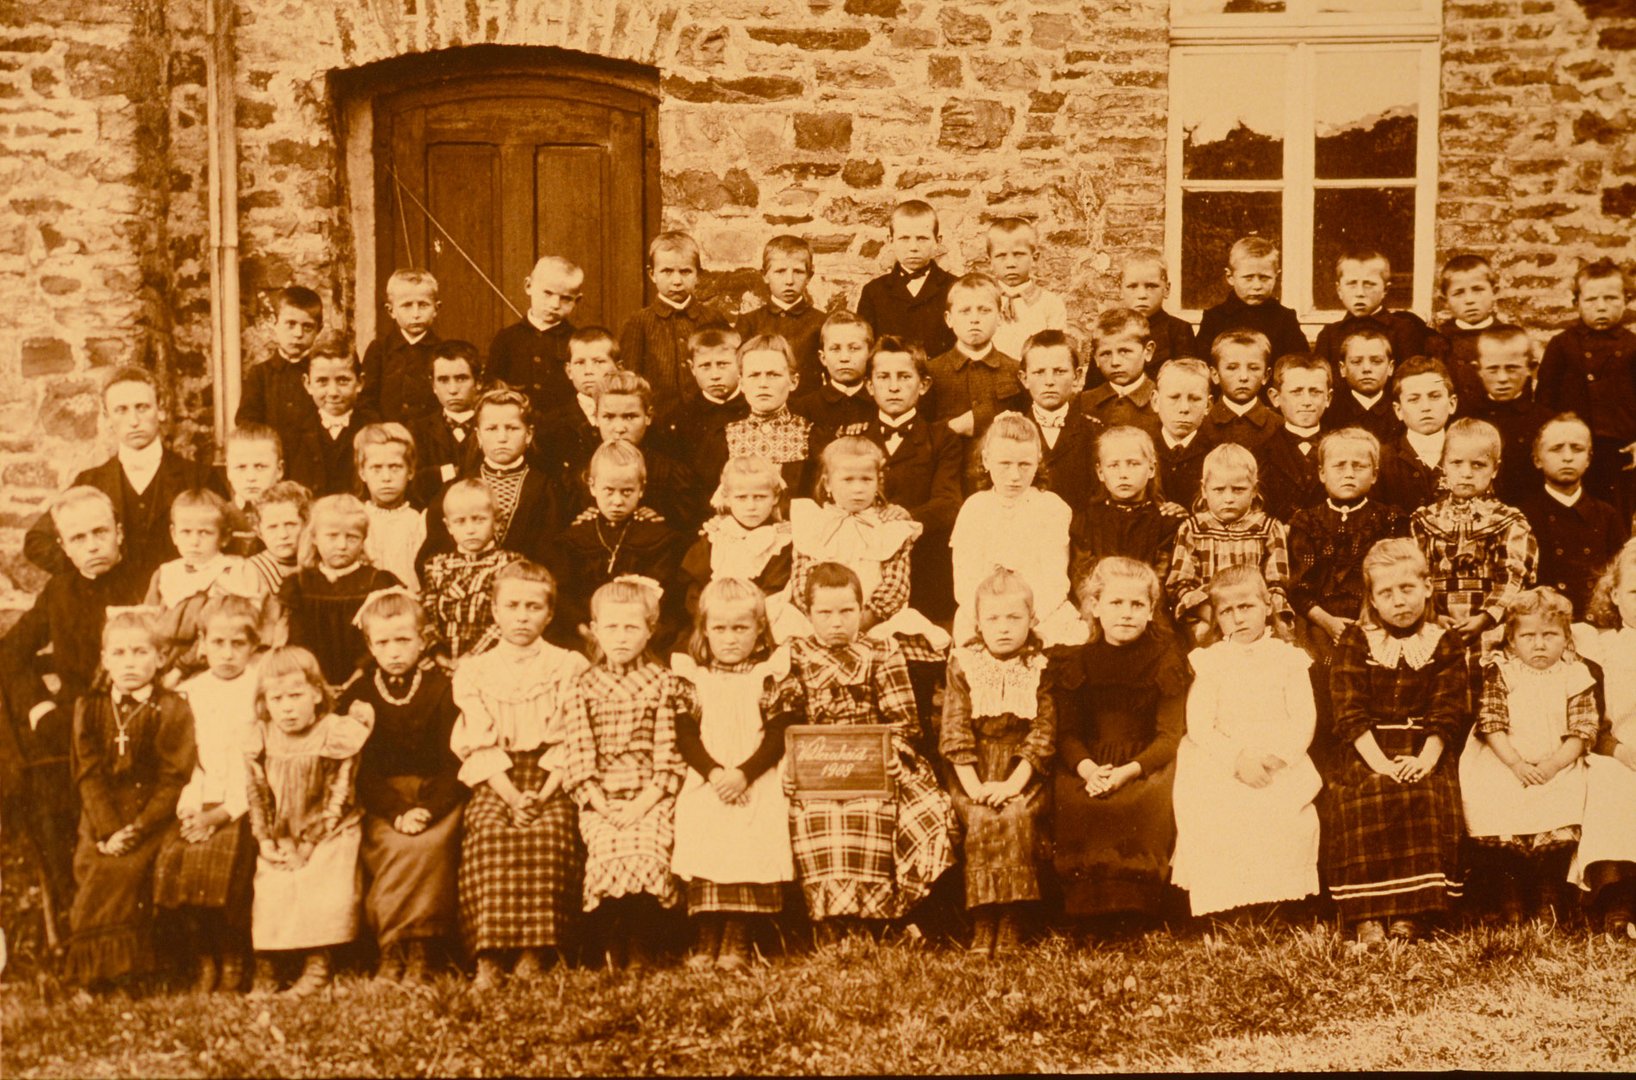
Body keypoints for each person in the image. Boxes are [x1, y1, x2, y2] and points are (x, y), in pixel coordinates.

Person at [785, 563, 955, 941]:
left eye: (847, 611)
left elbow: (903, 721)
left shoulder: (881, 650)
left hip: (877, 764)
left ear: (862, 609)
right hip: (816, 770)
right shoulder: (794, 655)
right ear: (808, 613)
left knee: (901, 810)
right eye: (824, 613)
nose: (836, 622)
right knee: (821, 813)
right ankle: (831, 922)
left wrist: (893, 752)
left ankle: (879, 918)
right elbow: (786, 722)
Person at [2, 488, 148, 917]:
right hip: (73, 721)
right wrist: (38, 707)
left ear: (119, 533)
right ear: (63, 547)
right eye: (79, 538)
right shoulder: (59, 591)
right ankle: (71, 917)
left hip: (138, 719)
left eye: (100, 532)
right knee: (46, 793)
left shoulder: (146, 581)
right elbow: (9, 651)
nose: (93, 545)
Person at [450, 561, 590, 990]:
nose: (522, 616)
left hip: (554, 774)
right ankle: (490, 955)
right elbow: (478, 741)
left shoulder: (568, 665)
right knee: (489, 832)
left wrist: (543, 794)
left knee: (551, 833)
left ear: (549, 614)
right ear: (494, 610)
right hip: (498, 776)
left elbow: (573, 736)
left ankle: (537, 951)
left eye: (533, 607)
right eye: (512, 606)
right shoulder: (474, 670)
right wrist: (512, 797)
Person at [1327, 539, 1467, 945]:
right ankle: (1367, 914)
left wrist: (1426, 758)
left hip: (1426, 745)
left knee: (1422, 792)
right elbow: (1348, 710)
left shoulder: (1444, 641)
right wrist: (1381, 763)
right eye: (1385, 593)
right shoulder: (1356, 640)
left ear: (1427, 587)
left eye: (1407, 588)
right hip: (1366, 747)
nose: (1398, 601)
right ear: (1371, 598)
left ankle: (1412, 911)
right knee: (1366, 792)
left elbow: (1448, 707)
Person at [1171, 566, 1321, 919]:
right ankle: (1229, 903)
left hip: (1278, 757)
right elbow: (1200, 724)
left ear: (1267, 605)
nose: (1238, 618)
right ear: (1216, 617)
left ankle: (1276, 900)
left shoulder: (1289, 658)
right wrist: (1237, 759)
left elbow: (1303, 718)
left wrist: (1274, 757)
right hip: (1223, 756)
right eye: (1226, 611)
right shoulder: (1210, 661)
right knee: (1221, 808)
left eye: (1246, 607)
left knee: (1281, 808)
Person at [561, 576, 692, 969]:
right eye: (611, 627)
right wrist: (600, 804)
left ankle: (640, 943)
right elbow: (579, 753)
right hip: (602, 800)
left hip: (650, 796)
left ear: (650, 630)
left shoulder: (664, 682)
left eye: (632, 627)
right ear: (595, 629)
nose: (621, 637)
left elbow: (668, 752)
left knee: (648, 847)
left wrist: (644, 803)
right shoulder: (581, 685)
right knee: (605, 849)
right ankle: (612, 941)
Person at [670, 579, 800, 971]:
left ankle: (738, 935)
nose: (730, 639)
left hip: (755, 773)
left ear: (759, 628)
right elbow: (685, 734)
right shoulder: (693, 676)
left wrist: (744, 774)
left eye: (740, 628)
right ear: (705, 629)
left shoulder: (770, 674)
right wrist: (713, 773)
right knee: (704, 829)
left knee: (752, 834)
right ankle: (707, 934)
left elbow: (780, 733)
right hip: (708, 776)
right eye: (720, 629)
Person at [341, 588, 466, 984]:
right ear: (369, 644)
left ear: (423, 639)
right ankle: (392, 949)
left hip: (436, 797)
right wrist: (397, 810)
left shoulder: (444, 687)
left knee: (428, 845)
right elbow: (360, 769)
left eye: (403, 640)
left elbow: (456, 760)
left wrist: (428, 808)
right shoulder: (360, 693)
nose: (394, 651)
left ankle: (421, 951)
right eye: (383, 642)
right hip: (386, 801)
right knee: (393, 846)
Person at [64, 609, 196, 987]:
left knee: (127, 870)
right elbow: (87, 774)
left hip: (151, 812)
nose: (130, 663)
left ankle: (130, 972)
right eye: (119, 654)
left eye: (140, 652)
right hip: (102, 814)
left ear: (159, 658)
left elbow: (174, 777)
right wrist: (108, 829)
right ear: (105, 660)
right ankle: (94, 972)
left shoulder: (172, 707)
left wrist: (137, 828)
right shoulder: (89, 707)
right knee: (94, 863)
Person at [1052, 557, 1186, 923]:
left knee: (1140, 804)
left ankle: (1135, 911)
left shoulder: (1166, 659)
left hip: (1144, 760)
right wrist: (1089, 769)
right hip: (1089, 761)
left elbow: (1169, 736)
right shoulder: (1077, 661)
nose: (1126, 613)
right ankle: (1085, 912)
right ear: (1095, 606)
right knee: (1077, 803)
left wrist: (1129, 771)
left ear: (1151, 610)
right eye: (1116, 603)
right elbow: (1067, 733)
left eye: (1137, 604)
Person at [790, 436, 950, 737]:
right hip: (821, 620)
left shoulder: (890, 527)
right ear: (827, 482)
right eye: (847, 479)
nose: (857, 487)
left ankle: (910, 737)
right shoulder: (812, 524)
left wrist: (863, 620)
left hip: (876, 620)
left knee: (908, 654)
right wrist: (827, 619)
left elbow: (895, 585)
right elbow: (802, 582)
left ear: (878, 482)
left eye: (866, 479)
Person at [1460, 587, 1595, 925]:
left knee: (1561, 800)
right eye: (1528, 636)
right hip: (1504, 757)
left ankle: (1549, 891)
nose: (1539, 644)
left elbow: (1583, 729)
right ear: (1512, 640)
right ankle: (1510, 891)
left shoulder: (1575, 673)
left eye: (1550, 635)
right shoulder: (1503, 671)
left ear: (1566, 638)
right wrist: (1516, 764)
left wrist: (1552, 765)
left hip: (1556, 760)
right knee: (1497, 800)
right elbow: (1491, 722)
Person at [245, 646, 373, 996]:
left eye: (297, 695)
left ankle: (319, 964)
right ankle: (269, 967)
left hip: (331, 829)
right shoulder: (262, 736)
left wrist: (309, 844)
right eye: (277, 698)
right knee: (272, 883)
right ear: (264, 702)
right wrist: (266, 840)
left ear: (317, 693)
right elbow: (258, 794)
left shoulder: (335, 733)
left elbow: (339, 795)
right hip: (284, 830)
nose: (287, 707)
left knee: (322, 878)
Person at [941, 569, 1055, 956]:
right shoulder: (963, 665)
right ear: (977, 622)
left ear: (1032, 620)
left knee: (1014, 815)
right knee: (979, 817)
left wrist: (1011, 785)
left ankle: (1011, 920)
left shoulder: (1039, 667)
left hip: (1023, 771)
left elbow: (1043, 734)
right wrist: (975, 789)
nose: (1003, 628)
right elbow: (954, 732)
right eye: (993, 618)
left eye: (1014, 618)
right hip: (972, 769)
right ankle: (983, 919)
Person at [154, 596, 261, 993]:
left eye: (238, 644)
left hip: (244, 802)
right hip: (200, 799)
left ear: (254, 646)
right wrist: (191, 809)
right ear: (202, 642)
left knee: (227, 862)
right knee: (175, 858)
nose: (228, 653)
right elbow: (187, 759)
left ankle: (233, 957)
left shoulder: (261, 689)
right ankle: (204, 957)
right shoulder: (190, 692)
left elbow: (258, 764)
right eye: (218, 643)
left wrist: (223, 813)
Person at [24, 365, 214, 583]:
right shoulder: (91, 481)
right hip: (110, 604)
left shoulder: (199, 477)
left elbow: (228, 540)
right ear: (107, 417)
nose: (133, 421)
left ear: (160, 410)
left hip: (180, 601)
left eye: (142, 407)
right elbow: (36, 541)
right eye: (121, 410)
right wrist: (88, 568)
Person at [1286, 428, 1409, 742]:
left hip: (1376, 619)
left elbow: (1396, 576)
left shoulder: (1390, 519)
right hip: (1318, 621)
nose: (1349, 473)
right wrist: (1327, 622)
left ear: (1375, 474)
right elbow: (1299, 587)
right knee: (1315, 669)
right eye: (1339, 466)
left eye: (1359, 466)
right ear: (1322, 473)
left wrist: (1370, 620)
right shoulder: (1306, 521)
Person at [845, 336, 964, 621]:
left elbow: (948, 502)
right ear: (870, 386)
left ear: (923, 385)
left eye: (904, 377)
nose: (894, 387)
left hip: (924, 567)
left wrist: (907, 515)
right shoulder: (855, 441)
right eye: (884, 377)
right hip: (866, 563)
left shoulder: (942, 438)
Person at [951, 412, 1088, 649]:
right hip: (985, 615)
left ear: (1038, 461)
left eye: (1025, 465)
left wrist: (1026, 619)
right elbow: (965, 581)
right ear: (986, 460)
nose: (1014, 476)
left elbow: (1055, 580)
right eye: (1004, 464)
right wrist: (990, 618)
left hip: (1039, 613)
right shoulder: (974, 508)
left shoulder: (1051, 507)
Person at [1409, 418, 1538, 648]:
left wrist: (1487, 617)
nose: (1466, 473)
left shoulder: (1508, 520)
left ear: (1495, 469)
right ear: (1443, 465)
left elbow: (1514, 576)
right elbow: (1417, 576)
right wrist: (1432, 615)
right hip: (1436, 626)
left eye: (1478, 465)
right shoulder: (1425, 520)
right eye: (1456, 463)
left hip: (1493, 627)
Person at [549, 440, 686, 650]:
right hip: (585, 635)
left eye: (627, 491)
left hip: (638, 635)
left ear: (641, 489)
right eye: (609, 490)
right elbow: (564, 595)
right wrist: (583, 629)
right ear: (592, 487)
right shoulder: (574, 539)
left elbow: (662, 593)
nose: (617, 501)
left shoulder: (659, 539)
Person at [418, 386, 566, 569]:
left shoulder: (544, 488)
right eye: (491, 429)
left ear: (528, 435)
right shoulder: (456, 488)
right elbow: (433, 553)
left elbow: (552, 556)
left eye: (512, 428)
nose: (502, 437)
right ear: (479, 436)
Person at [1570, 540, 1636, 942]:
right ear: (1613, 594)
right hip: (1618, 750)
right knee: (1611, 783)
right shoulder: (1603, 645)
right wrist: (1622, 751)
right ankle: (1620, 898)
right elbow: (1593, 718)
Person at [1535, 257, 1636, 511]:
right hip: (1571, 451)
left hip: (1621, 453)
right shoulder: (1562, 345)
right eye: (1591, 300)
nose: (1601, 307)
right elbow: (1544, 401)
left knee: (1616, 515)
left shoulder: (1633, 346)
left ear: (1627, 299)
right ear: (1576, 303)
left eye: (1611, 298)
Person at [1165, 443, 1291, 644]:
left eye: (1238, 490)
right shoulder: (1192, 528)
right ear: (1204, 490)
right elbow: (1181, 583)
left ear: (1254, 490)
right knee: (1200, 638)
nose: (1229, 498)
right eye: (1219, 490)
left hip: (1255, 616)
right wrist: (1211, 614)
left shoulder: (1268, 528)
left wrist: (1261, 616)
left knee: (1279, 640)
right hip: (1207, 613)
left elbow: (1277, 584)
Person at [278, 493, 403, 688]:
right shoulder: (299, 584)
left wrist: (358, 677)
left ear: (363, 540)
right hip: (309, 681)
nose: (342, 545)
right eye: (332, 536)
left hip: (366, 678)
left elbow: (386, 637)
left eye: (352, 537)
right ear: (314, 538)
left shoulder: (376, 581)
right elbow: (294, 640)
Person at [144, 488, 266, 676]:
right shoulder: (165, 573)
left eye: (205, 533)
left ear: (223, 537)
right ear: (174, 534)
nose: (194, 541)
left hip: (206, 664)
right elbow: (148, 625)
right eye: (186, 532)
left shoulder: (232, 572)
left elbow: (230, 631)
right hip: (161, 662)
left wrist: (180, 670)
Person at [1518, 414, 1628, 620]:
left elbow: (1620, 576)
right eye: (1556, 448)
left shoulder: (1606, 515)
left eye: (1577, 448)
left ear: (1588, 459)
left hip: (1597, 622)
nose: (1567, 457)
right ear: (1537, 459)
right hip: (1543, 623)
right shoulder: (1522, 515)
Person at [680, 456, 801, 641]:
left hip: (759, 625)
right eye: (741, 498)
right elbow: (695, 590)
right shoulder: (716, 536)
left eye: (760, 497)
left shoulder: (781, 542)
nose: (751, 506)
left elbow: (773, 592)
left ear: (775, 497)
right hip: (712, 623)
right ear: (727, 498)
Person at [927, 272, 1022, 487]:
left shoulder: (1015, 370)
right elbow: (922, 430)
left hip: (1001, 481)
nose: (975, 318)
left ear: (1000, 317)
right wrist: (954, 426)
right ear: (949, 319)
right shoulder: (931, 372)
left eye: (985, 310)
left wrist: (980, 418)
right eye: (965, 311)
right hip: (948, 480)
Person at [1068, 426, 1187, 591]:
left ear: (1151, 469)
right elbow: (1082, 578)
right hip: (1100, 607)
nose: (1123, 474)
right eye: (1113, 465)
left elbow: (1162, 580)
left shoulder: (1167, 523)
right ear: (1100, 472)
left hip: (1148, 608)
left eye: (1133, 464)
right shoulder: (1087, 521)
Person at [999, 330, 1103, 511]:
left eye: (1059, 371)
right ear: (1024, 379)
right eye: (1039, 372)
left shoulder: (1094, 433)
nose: (1049, 381)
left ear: (1077, 376)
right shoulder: (1011, 432)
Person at [619, 232, 730, 401]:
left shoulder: (713, 318)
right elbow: (631, 377)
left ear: (697, 275)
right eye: (667, 271)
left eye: (685, 272)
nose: (677, 281)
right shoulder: (638, 322)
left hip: (707, 416)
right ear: (652, 274)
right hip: (658, 419)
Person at [420, 480, 521, 660]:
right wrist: (438, 653)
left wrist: (472, 657)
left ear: (497, 522)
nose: (470, 530)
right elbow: (428, 615)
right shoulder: (437, 566)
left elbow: (507, 619)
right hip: (443, 659)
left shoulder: (509, 565)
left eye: (479, 519)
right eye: (460, 522)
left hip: (491, 658)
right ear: (449, 526)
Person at [1312, 250, 1443, 376]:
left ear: (1385, 289)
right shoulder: (1329, 335)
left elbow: (1409, 381)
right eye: (1351, 284)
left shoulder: (1403, 331)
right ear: (1339, 290)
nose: (1360, 293)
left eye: (1369, 284)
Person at [650, 326, 748, 494]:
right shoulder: (678, 419)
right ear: (692, 368)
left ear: (740, 364)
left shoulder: (755, 409)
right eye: (705, 366)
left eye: (723, 364)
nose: (715, 374)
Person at [856, 199, 957, 358]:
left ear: (937, 241)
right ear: (890, 241)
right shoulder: (873, 292)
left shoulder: (955, 287)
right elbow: (865, 348)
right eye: (904, 238)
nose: (913, 247)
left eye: (922, 238)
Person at [722, 334, 818, 497]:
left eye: (773, 374)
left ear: (793, 381)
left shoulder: (809, 433)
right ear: (742, 383)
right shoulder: (726, 435)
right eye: (754, 375)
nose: (763, 384)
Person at [488, 255, 584, 418]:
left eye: (565, 299)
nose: (554, 305)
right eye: (547, 293)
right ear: (528, 286)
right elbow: (492, 383)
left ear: (577, 300)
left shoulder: (578, 341)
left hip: (564, 429)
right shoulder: (507, 338)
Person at [1468, 327, 1552, 506]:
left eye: (1512, 368)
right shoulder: (1467, 419)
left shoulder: (1547, 423)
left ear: (1531, 368)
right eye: (1492, 369)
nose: (1502, 378)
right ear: (1478, 369)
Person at [1194, 236, 1309, 363]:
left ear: (1277, 276)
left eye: (1264, 278)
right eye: (1248, 278)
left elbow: (1299, 364)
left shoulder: (1285, 319)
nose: (1257, 286)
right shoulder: (1215, 318)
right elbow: (1202, 366)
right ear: (1230, 277)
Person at [737, 234, 827, 390]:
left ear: (809, 277)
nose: (789, 280)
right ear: (765, 275)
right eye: (780, 271)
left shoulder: (822, 322)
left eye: (798, 272)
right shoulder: (749, 322)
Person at [236, 285, 324, 445]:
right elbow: (247, 423)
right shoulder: (260, 375)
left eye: (307, 327)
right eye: (290, 324)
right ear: (274, 323)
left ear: (319, 330)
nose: (298, 334)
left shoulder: (322, 373)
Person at [1254, 353, 1333, 522]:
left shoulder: (1342, 448)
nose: (1307, 401)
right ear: (1275, 397)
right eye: (1296, 392)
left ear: (1328, 398)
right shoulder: (1260, 453)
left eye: (1315, 392)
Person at [1435, 254, 1522, 409]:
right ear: (1445, 301)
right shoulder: (1438, 341)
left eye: (1478, 290)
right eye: (1459, 293)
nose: (1469, 300)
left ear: (1494, 292)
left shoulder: (1510, 338)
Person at [533, 325, 618, 478]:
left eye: (598, 362)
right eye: (579, 363)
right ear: (569, 371)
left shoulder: (627, 417)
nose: (588, 371)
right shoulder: (551, 424)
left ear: (618, 367)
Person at [287, 350, 375, 498]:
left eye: (343, 381)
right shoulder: (293, 432)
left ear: (360, 383)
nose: (333, 392)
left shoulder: (373, 429)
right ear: (307, 383)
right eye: (322, 381)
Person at [1377, 355, 1459, 513]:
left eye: (1434, 396)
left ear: (1452, 403)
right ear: (1398, 410)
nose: (1426, 407)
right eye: (1414, 399)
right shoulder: (1383, 459)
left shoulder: (1469, 453)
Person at [408, 340, 485, 506]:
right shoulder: (418, 430)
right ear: (433, 385)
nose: (452, 389)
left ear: (478, 382)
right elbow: (415, 484)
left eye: (461, 379)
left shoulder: (492, 427)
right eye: (443, 380)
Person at [361, 268, 441, 425]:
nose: (416, 313)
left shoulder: (442, 351)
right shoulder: (379, 349)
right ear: (391, 310)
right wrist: (381, 431)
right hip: (387, 439)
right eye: (407, 305)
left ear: (436, 309)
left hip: (430, 441)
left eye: (423, 305)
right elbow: (365, 400)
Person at [356, 423, 426, 592]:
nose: (386, 478)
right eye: (376, 468)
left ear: (410, 471)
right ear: (362, 473)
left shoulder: (419, 522)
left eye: (395, 467)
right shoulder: (357, 520)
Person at [988, 217, 1068, 362]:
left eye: (1019, 254)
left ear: (1035, 257)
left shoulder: (1050, 303)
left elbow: (1055, 352)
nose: (1011, 263)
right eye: (1001, 256)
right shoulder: (985, 302)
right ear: (990, 262)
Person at [1079, 308, 1161, 440]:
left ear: (1148, 351)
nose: (1115, 362)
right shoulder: (1082, 403)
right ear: (1095, 358)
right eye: (1105, 354)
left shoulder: (1162, 403)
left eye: (1125, 351)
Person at [1115, 249, 1197, 380]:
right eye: (1132, 286)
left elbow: (1186, 379)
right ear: (1120, 290)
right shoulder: (1110, 329)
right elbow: (1093, 389)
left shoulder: (1178, 329)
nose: (1142, 295)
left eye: (1151, 286)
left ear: (1167, 289)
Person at [791, 310, 876, 432]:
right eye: (835, 349)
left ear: (870, 354)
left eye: (854, 348)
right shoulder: (804, 409)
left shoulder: (879, 405)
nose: (844, 358)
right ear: (823, 358)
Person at [1151, 357, 1215, 511]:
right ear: (1155, 401)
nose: (1184, 408)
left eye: (1194, 399)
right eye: (1174, 397)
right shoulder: (1143, 448)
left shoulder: (1215, 453)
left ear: (1208, 405)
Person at [1198, 330, 1278, 452]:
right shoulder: (1202, 425)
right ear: (1215, 374)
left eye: (1253, 368)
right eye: (1232, 368)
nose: (1243, 377)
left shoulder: (1278, 426)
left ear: (1266, 376)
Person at [1321, 328, 1402, 444]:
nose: (1366, 369)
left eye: (1376, 361)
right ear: (1342, 369)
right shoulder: (1329, 414)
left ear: (1390, 367)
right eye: (1356, 362)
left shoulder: (1400, 412)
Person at [219, 423, 285, 556]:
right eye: (241, 467)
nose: (251, 477)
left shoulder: (292, 516)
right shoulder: (217, 516)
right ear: (228, 471)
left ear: (279, 470)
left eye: (260, 466)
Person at [244, 480, 311, 599]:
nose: (283, 535)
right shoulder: (253, 570)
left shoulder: (315, 564)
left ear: (306, 525)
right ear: (259, 532)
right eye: (272, 527)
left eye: (291, 524)